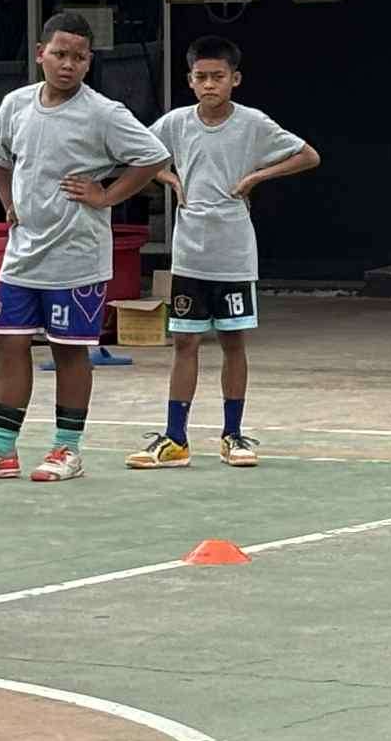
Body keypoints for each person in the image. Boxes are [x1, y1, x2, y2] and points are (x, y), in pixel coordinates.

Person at [0, 11, 169, 484]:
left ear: (89, 63)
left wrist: (106, 195)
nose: (68, 64)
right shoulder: (16, 105)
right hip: (23, 255)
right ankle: (0, 450)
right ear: (40, 54)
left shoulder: (103, 113)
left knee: (70, 352)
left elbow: (152, 157)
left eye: (79, 57)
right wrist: (10, 202)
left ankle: (66, 449)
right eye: (60, 54)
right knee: (9, 346)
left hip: (77, 259)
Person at [127, 35, 320, 470]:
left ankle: (233, 434)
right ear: (190, 80)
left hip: (233, 250)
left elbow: (307, 156)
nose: (209, 85)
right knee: (185, 342)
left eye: (218, 77)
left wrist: (256, 177)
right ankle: (175, 437)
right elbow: (135, 153)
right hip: (189, 250)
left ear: (235, 79)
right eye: (201, 77)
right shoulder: (175, 123)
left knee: (233, 341)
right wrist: (169, 178)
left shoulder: (253, 123)